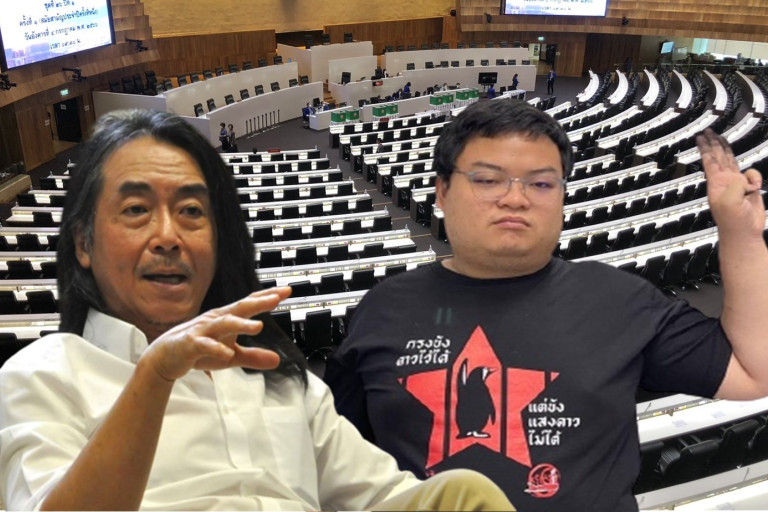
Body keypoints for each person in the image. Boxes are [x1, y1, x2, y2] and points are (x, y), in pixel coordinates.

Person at [0, 109, 516, 512]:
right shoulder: (44, 373)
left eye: (191, 211)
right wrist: (155, 376)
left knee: (464, 492)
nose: (168, 236)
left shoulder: (281, 378)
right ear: (83, 244)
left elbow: (382, 494)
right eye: (136, 210)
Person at [325, 99, 768, 511]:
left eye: (540, 183)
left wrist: (742, 234)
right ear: (441, 191)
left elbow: (753, 372)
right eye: (487, 180)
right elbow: (341, 459)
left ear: (561, 196)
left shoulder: (619, 298)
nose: (515, 198)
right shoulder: (382, 308)